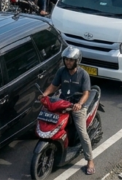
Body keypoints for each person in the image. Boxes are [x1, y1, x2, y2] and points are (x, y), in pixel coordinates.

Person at [42, 47, 95, 175]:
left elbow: (86, 93)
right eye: (66, 59)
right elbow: (54, 86)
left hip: (77, 106)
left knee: (82, 133)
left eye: (71, 60)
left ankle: (90, 160)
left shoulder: (83, 74)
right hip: (63, 103)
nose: (68, 62)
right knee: (51, 121)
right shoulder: (61, 71)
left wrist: (79, 104)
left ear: (77, 61)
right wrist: (44, 95)